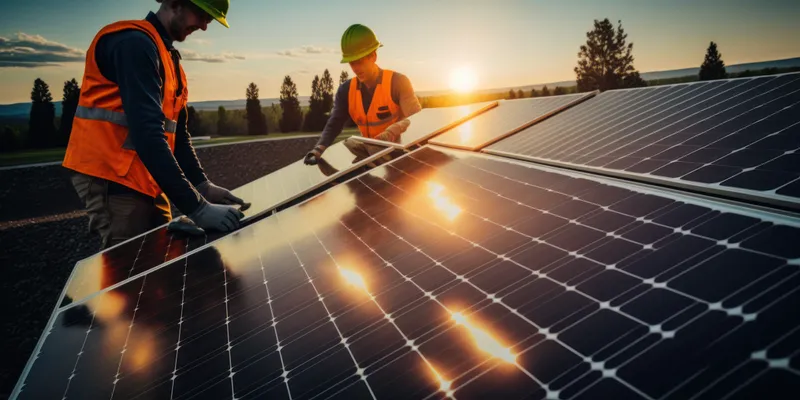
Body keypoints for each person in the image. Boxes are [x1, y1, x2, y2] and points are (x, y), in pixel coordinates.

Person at [62, 0, 246, 250]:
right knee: (130, 268)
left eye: (209, 21)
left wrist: (203, 186)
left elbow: (177, 136)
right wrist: (198, 208)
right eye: (202, 15)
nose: (204, 26)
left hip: (145, 175)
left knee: (163, 258)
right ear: (175, 3)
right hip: (112, 177)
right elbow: (147, 134)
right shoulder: (134, 44)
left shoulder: (169, 59)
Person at [304, 24, 422, 165]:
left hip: (400, 156)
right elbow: (334, 123)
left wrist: (391, 132)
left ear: (373, 56)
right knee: (351, 145)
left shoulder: (397, 82)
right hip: (372, 158)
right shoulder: (346, 91)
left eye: (359, 62)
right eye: (352, 63)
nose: (356, 69)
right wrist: (319, 149)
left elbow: (418, 120)